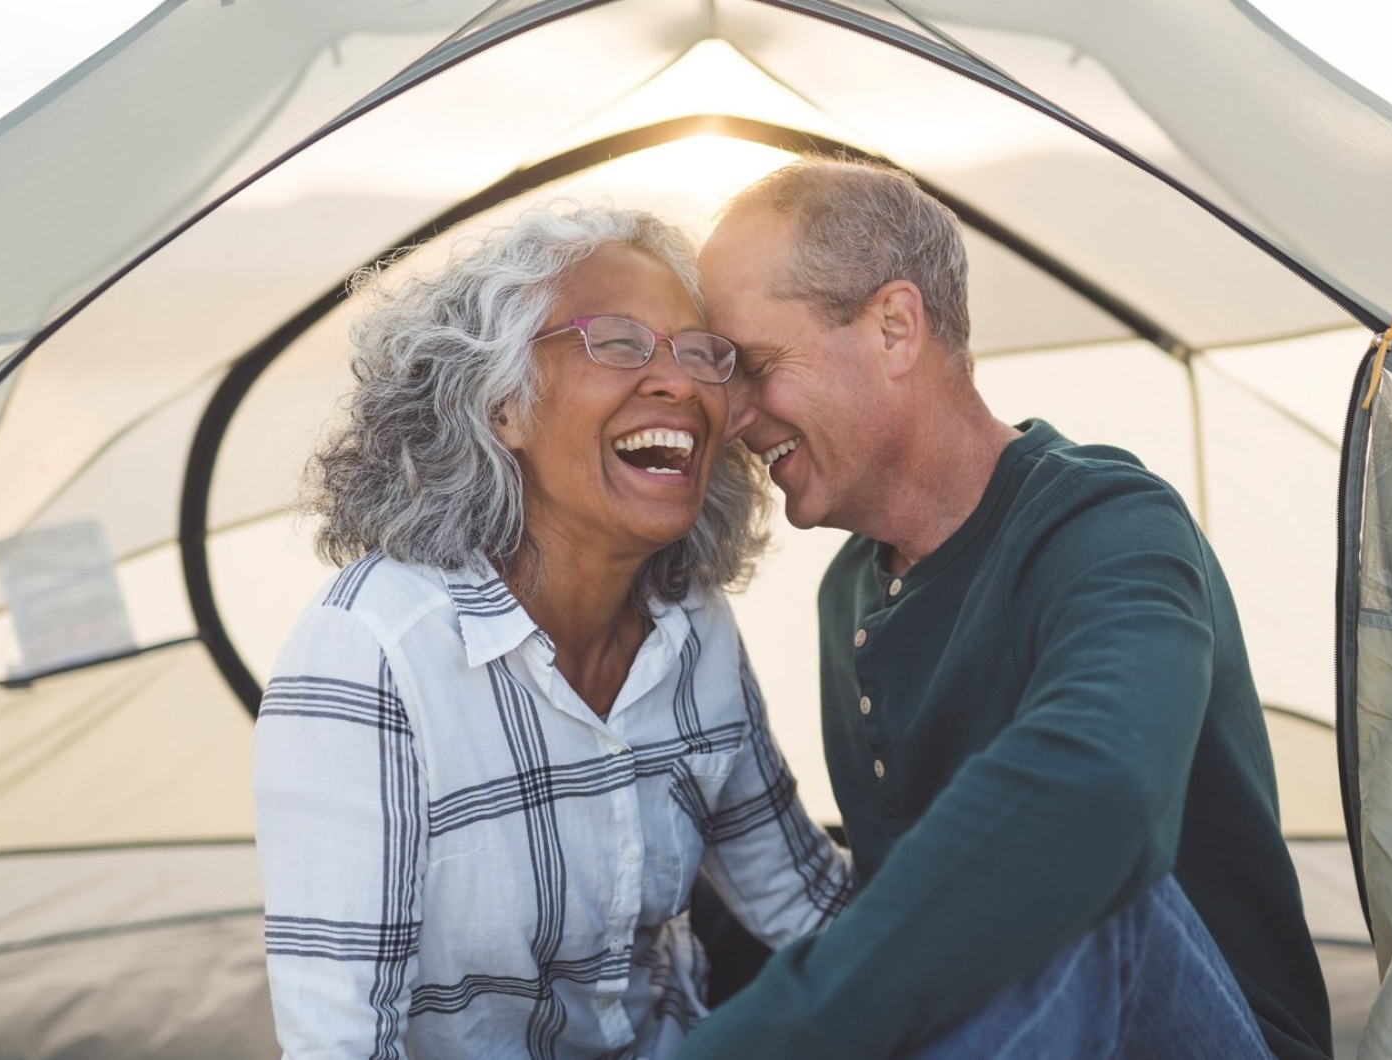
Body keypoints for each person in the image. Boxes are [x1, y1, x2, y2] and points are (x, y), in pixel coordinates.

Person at [679, 159, 1334, 1059]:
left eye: (754, 365)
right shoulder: (850, 596)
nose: (736, 416)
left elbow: (1101, 791)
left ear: (896, 327)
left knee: (1078, 884)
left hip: (1193, 1029)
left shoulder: (1106, 525)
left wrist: (762, 1038)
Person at [251, 204, 850, 1060]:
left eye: (699, 351)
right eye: (616, 341)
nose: (678, 381)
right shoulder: (373, 650)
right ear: (503, 406)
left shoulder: (692, 626)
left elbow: (810, 911)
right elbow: (342, 1044)